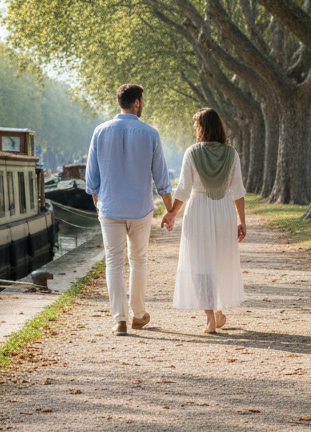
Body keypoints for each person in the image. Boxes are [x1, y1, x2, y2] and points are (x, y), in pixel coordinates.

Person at [86, 83, 173, 336]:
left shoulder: (100, 131)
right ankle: (138, 314)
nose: (142, 104)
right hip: (140, 209)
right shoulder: (150, 134)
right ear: (137, 102)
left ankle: (120, 320)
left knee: (113, 263)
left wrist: (100, 202)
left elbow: (92, 178)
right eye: (142, 101)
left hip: (110, 208)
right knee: (138, 260)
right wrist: (170, 211)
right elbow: (162, 179)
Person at [160, 107, 246, 334]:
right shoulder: (232, 154)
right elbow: (238, 191)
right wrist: (242, 220)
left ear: (204, 127)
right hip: (224, 210)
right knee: (218, 261)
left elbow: (184, 189)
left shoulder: (192, 152)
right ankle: (217, 311)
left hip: (198, 211)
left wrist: (172, 213)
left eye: (196, 125)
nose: (194, 129)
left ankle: (210, 317)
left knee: (200, 264)